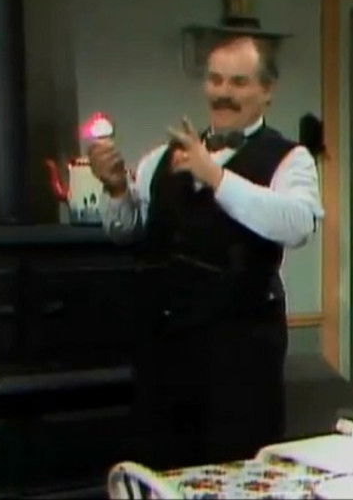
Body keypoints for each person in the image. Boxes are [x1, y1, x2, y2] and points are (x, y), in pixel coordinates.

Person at [87, 31, 324, 467]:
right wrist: (117, 189)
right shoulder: (159, 158)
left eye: (238, 82)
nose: (223, 93)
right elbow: (127, 231)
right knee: (164, 466)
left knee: (236, 470)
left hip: (241, 354)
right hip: (165, 352)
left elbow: (297, 225)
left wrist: (215, 177)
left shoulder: (291, 159)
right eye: (215, 80)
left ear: (267, 91)